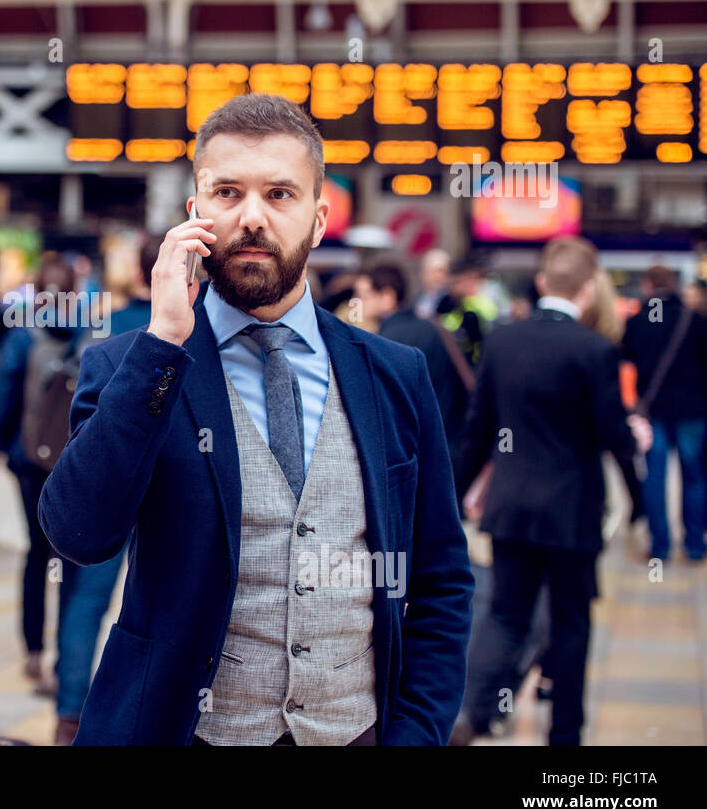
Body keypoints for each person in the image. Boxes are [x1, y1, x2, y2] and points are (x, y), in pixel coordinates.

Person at [39, 93, 475, 745]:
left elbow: (441, 578)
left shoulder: (394, 373)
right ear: (195, 214)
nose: (251, 217)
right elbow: (78, 531)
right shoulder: (132, 365)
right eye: (226, 192)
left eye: (279, 194)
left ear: (319, 218)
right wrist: (162, 342)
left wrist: (415, 732)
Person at [451, 238, 651, 746]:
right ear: (587, 290)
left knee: (505, 616)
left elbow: (478, 435)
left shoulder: (503, 341)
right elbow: (611, 434)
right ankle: (564, 735)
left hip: (511, 508)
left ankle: (468, 712)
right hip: (571, 514)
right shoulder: (596, 350)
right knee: (570, 625)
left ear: (542, 283)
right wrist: (635, 435)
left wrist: (448, 501)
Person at [49, 236, 162, 744]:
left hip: (108, 481)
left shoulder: (107, 325)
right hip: (174, 490)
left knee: (86, 599)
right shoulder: (198, 330)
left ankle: (69, 710)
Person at [0, 253, 86, 695]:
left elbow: (4, 396)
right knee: (69, 559)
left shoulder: (23, 336)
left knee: (35, 554)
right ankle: (66, 662)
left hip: (29, 460)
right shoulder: (90, 334)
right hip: (75, 466)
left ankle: (33, 649)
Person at [621, 265, 707, 562]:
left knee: (654, 477)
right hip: (693, 411)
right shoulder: (694, 320)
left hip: (653, 410)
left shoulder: (639, 320)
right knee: (694, 476)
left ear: (648, 286)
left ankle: (661, 547)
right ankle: (695, 546)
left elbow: (626, 359)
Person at [356, 263, 471, 451]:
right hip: (448, 443)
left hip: (416, 450)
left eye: (362, 296)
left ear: (387, 297)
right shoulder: (428, 326)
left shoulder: (388, 341)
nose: (356, 303)